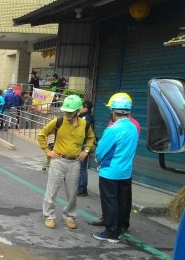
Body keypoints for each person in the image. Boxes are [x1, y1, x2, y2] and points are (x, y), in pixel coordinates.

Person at [36, 95, 96, 229]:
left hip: (74, 163)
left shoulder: (85, 124)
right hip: (58, 160)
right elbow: (41, 135)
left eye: (70, 112)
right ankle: (49, 216)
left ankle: (69, 217)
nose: (67, 114)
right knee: (51, 191)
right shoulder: (58, 122)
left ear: (77, 111)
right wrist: (47, 151)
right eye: (66, 111)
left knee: (72, 193)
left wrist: (86, 151)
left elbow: (91, 138)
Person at [90, 92, 141, 227]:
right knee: (123, 200)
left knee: (110, 201)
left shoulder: (113, 129)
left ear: (113, 111)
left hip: (111, 171)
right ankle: (122, 225)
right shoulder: (133, 127)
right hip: (126, 170)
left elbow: (101, 151)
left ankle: (111, 231)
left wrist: (98, 159)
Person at [77, 100, 95, 197]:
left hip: (84, 146)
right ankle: (81, 188)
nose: (80, 108)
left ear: (86, 108)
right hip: (83, 145)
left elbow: (82, 132)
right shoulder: (85, 117)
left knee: (82, 168)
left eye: (81, 107)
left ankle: (82, 189)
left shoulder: (86, 118)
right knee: (81, 168)